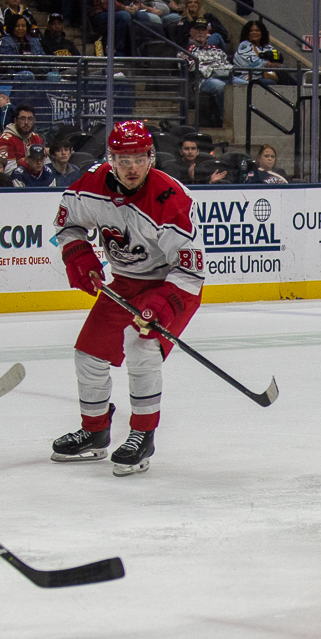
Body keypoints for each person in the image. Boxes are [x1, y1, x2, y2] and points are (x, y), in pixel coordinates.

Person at [49, 121, 202, 476]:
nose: (132, 167)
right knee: (88, 355)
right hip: (125, 284)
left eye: (139, 158)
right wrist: (79, 254)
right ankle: (95, 431)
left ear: (151, 158)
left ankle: (142, 435)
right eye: (123, 159)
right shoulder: (92, 185)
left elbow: (190, 272)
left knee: (140, 347)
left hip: (171, 285)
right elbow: (67, 223)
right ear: (110, 160)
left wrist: (161, 306)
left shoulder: (172, 200)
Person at [183, 16, 232, 126]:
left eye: (203, 29)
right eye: (197, 29)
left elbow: (227, 65)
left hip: (225, 76)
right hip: (202, 81)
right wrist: (214, 69)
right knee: (220, 86)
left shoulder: (216, 49)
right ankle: (224, 119)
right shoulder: (186, 50)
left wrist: (215, 69)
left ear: (207, 32)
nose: (200, 32)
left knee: (244, 84)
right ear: (191, 31)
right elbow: (189, 67)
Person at [0, 102, 42, 171]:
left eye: (30, 119)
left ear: (34, 121)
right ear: (15, 121)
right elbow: (8, 171)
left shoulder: (37, 138)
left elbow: (46, 166)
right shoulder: (4, 141)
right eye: (22, 118)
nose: (26, 122)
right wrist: (30, 164)